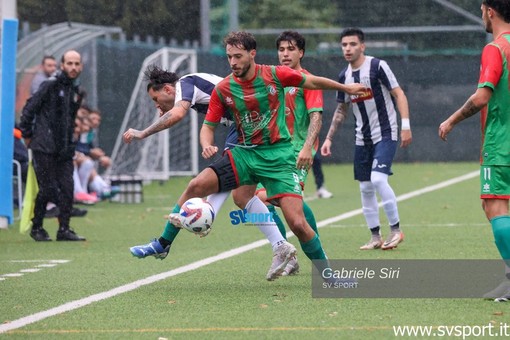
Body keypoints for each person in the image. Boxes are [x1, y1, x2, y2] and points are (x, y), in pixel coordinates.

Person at [130, 31, 366, 280]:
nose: (232, 62)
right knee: (201, 186)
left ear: (252, 54)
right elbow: (207, 126)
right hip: (244, 154)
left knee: (297, 223)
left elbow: (313, 82)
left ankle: (328, 275)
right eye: (229, 56)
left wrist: (345, 87)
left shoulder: (275, 74)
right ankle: (166, 242)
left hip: (278, 156)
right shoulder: (224, 88)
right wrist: (207, 143)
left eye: (238, 56)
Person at [124, 65, 298, 281]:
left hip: (252, 129)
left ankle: (167, 241)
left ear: (168, 89)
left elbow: (177, 114)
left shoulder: (185, 84)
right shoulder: (194, 91)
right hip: (249, 128)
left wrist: (143, 132)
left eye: (155, 98)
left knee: (197, 187)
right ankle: (283, 248)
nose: (156, 104)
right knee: (243, 197)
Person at [439, 0, 510, 302]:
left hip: (501, 144)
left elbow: (482, 97)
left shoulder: (495, 48)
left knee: (494, 206)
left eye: (482, 9)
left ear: (490, 11)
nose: (481, 14)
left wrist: (451, 120)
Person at [321, 27, 412, 251]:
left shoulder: (377, 66)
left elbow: (398, 93)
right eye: (344, 45)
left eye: (352, 44)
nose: (348, 49)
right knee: (365, 187)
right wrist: (328, 139)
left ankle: (396, 230)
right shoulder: (344, 76)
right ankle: (375, 236)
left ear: (362, 46)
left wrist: (406, 125)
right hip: (362, 138)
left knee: (379, 180)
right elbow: (341, 109)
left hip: (386, 132)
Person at [253, 30, 326, 276]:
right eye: (282, 49)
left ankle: (292, 251)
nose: (285, 54)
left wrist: (307, 147)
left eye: (291, 49)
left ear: (301, 53)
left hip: (297, 154)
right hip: (271, 153)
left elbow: (316, 116)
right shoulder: (272, 80)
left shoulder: (308, 80)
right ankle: (289, 253)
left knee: (264, 199)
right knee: (286, 208)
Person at [19, 50, 87, 242]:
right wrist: (27, 135)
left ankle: (64, 229)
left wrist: (71, 141)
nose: (73, 67)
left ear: (81, 66)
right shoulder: (50, 84)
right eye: (70, 63)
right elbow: (29, 108)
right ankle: (37, 227)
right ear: (62, 65)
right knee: (47, 189)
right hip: (44, 146)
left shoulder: (76, 90)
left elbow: (70, 118)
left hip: (64, 148)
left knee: (67, 188)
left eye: (76, 64)